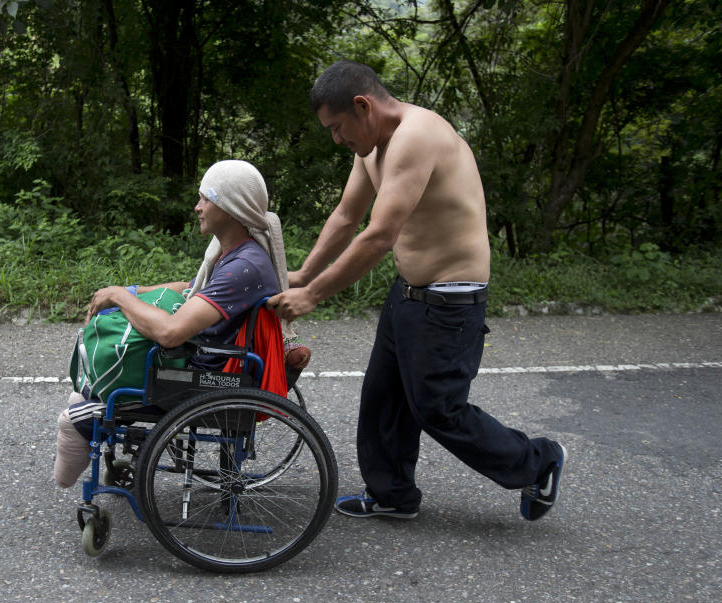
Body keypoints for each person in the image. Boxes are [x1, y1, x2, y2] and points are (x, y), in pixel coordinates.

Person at [268, 60, 566, 521]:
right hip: (408, 292)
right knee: (384, 397)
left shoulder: (417, 135)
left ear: (363, 106)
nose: (336, 139)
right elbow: (348, 217)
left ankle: (538, 461)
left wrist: (314, 296)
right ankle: (393, 495)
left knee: (439, 409)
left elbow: (379, 234)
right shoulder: (370, 149)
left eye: (337, 127)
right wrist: (306, 273)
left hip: (451, 300)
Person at [54, 159, 308, 488]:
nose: (197, 207)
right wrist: (133, 292)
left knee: (76, 413)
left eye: (205, 198)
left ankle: (76, 453)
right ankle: (89, 409)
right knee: (87, 391)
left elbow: (170, 333)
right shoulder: (236, 252)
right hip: (207, 363)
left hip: (199, 378)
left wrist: (120, 298)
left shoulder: (242, 267)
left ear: (230, 207)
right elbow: (192, 290)